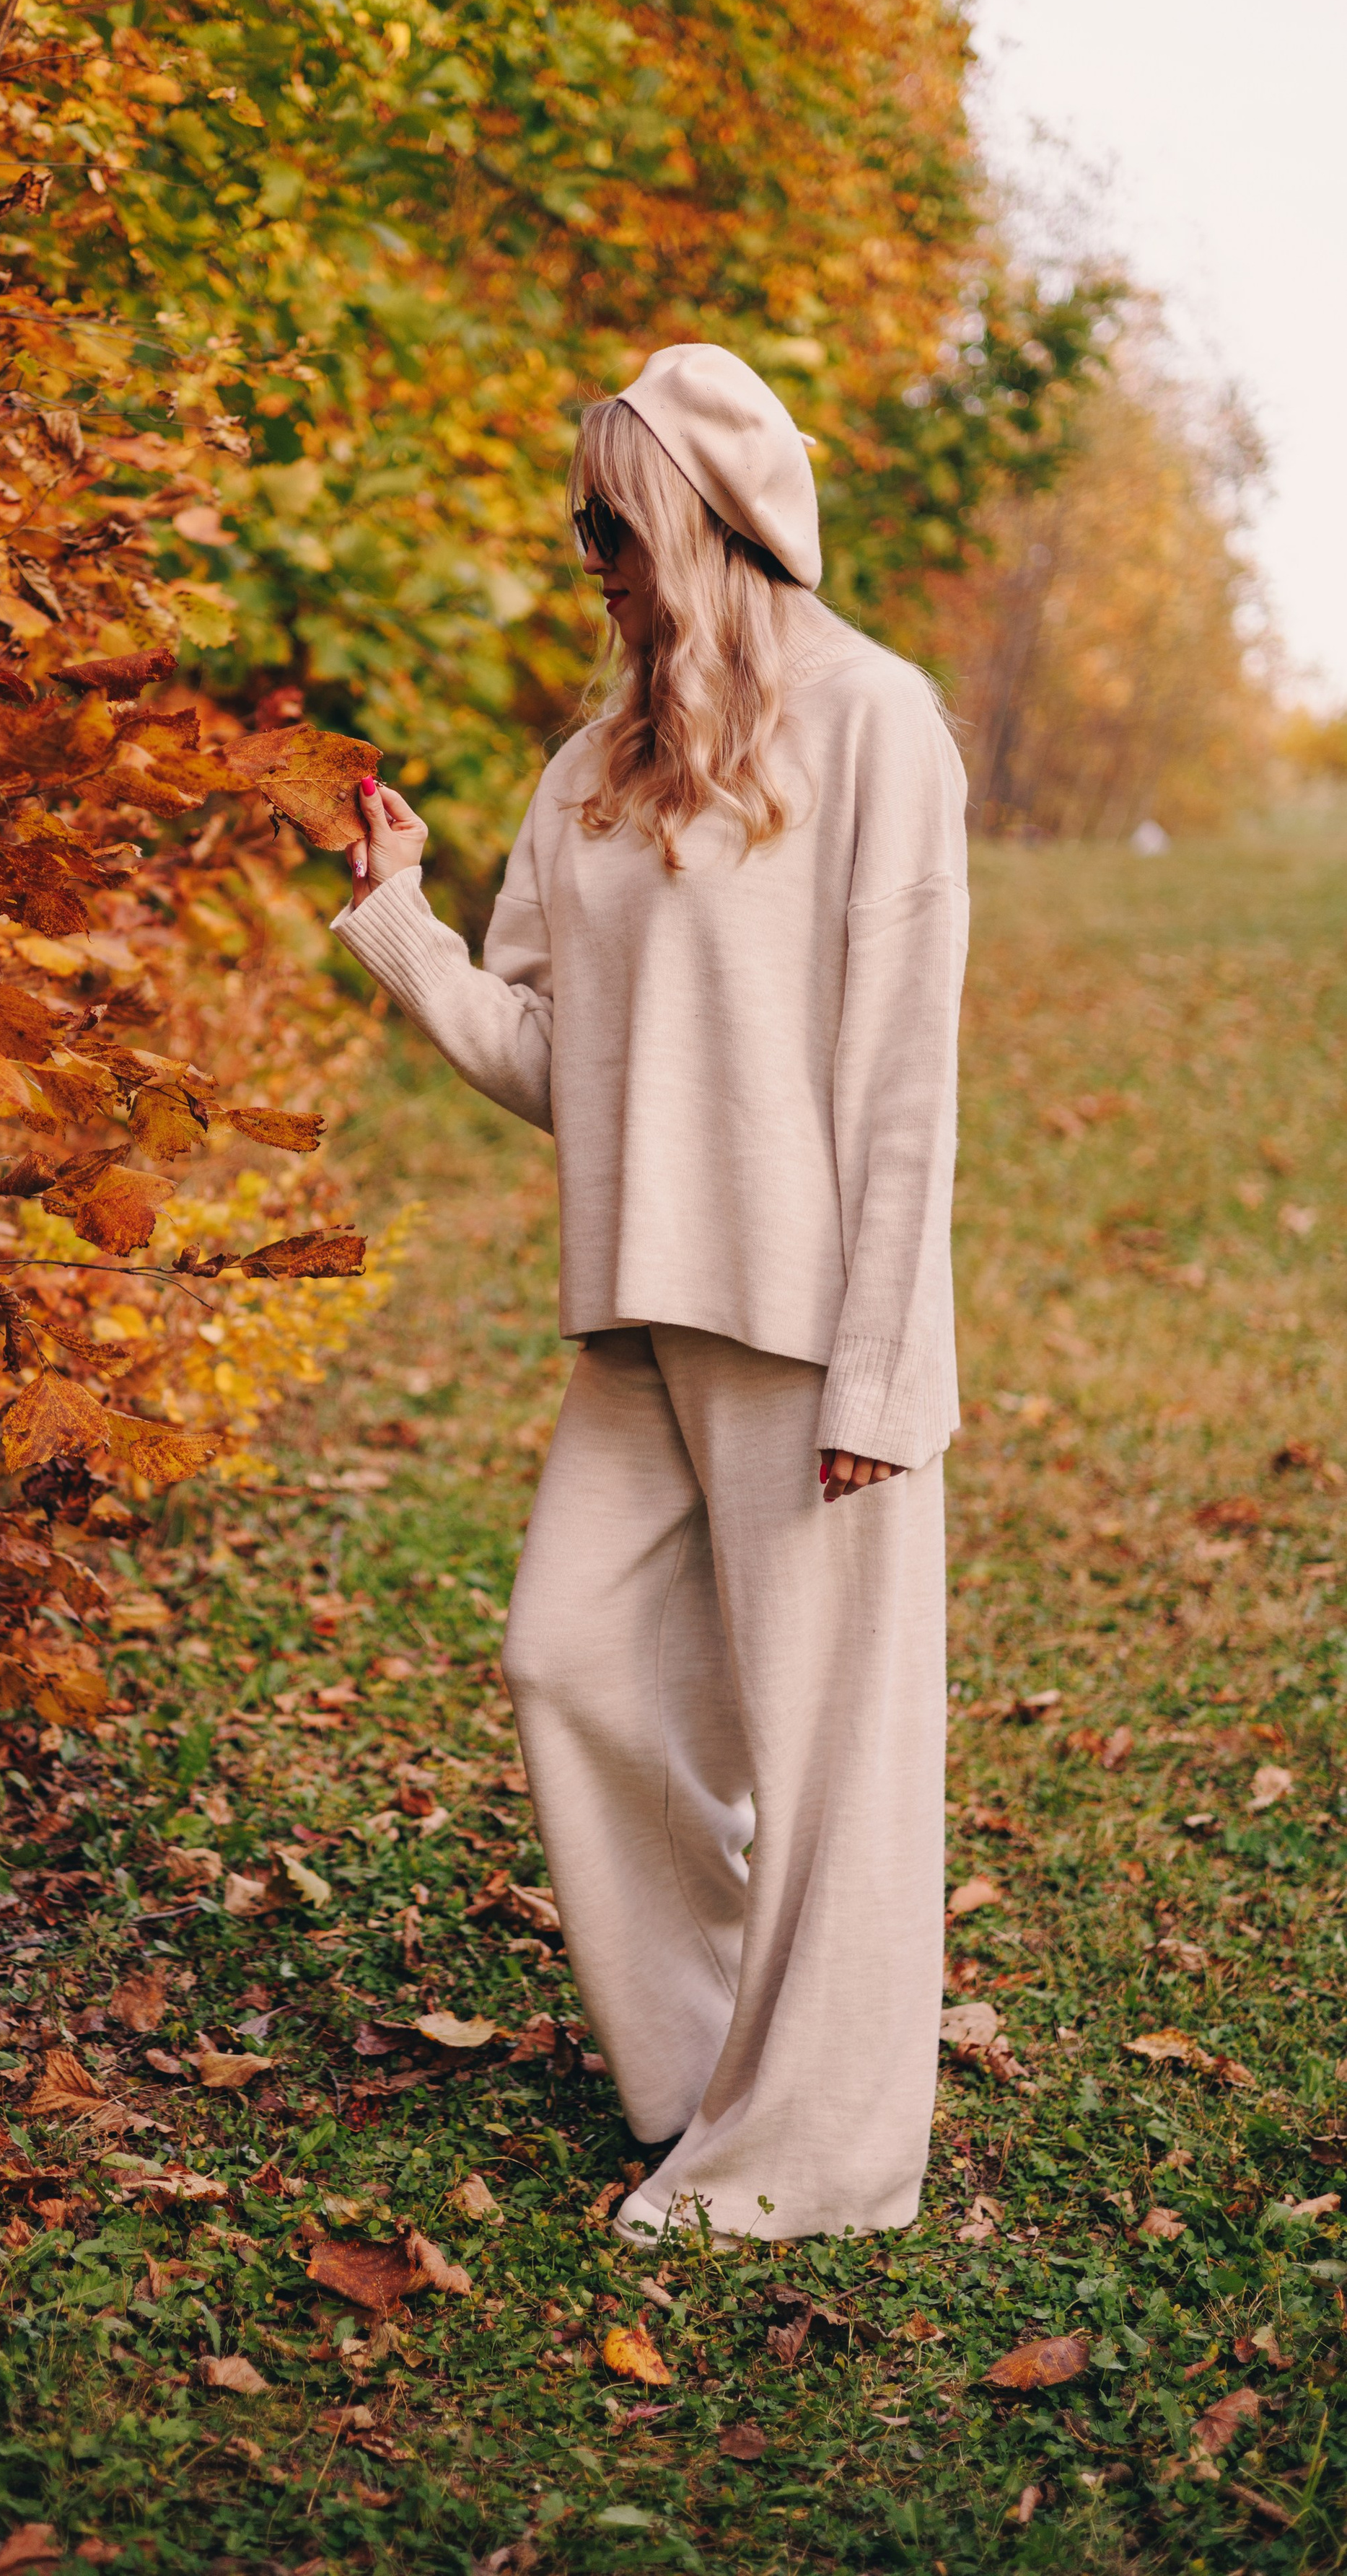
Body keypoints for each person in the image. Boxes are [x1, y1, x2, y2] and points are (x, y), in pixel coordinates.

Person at [332, 342, 968, 2245]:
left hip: (800, 1326)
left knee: (831, 1735)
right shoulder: (592, 761)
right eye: (577, 523)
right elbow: (555, 1060)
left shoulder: (877, 724)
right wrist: (399, 923)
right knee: (567, 1654)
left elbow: (905, 1078)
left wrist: (881, 1374)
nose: (586, 554)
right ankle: (711, 2074)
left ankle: (819, 2156)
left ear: (698, 515)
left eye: (609, 521)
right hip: (639, 1315)